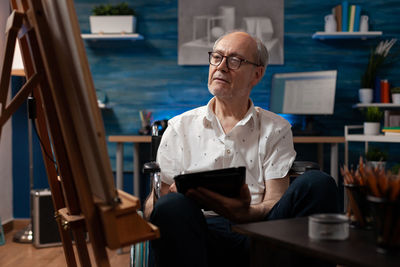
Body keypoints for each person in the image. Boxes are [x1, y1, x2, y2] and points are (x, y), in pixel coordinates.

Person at [144, 31, 339, 267]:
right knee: (170, 205)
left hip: (261, 234)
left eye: (235, 60)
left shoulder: (277, 128)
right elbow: (153, 208)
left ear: (257, 74)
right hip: (198, 234)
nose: (221, 67)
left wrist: (242, 214)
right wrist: (169, 199)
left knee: (319, 183)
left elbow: (274, 202)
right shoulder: (179, 127)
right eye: (216, 57)